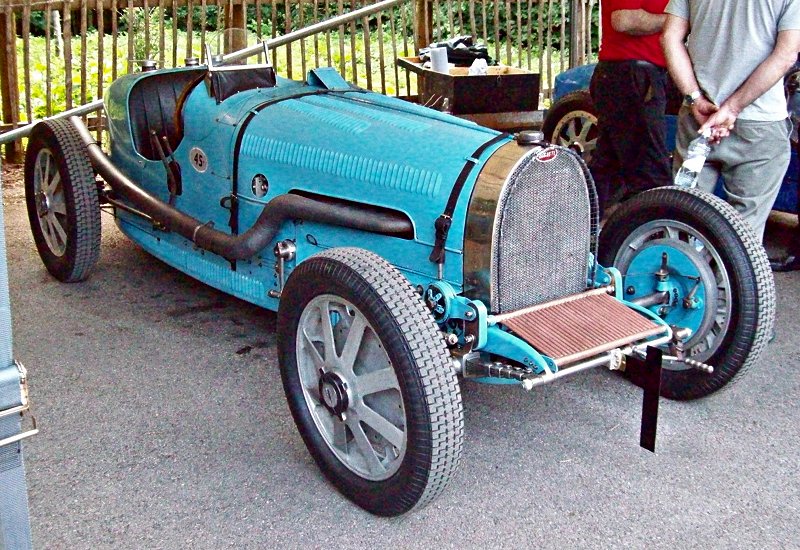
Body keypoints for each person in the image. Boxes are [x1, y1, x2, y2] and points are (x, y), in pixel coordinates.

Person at [660, 0, 800, 243]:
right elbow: (786, 55)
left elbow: (670, 37)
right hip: (759, 124)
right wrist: (732, 108)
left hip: (699, 119)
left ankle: (685, 266)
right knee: (744, 237)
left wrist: (695, 98)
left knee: (687, 221)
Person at [589, 0, 672, 217]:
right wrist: (678, 20)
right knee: (651, 177)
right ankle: (654, 234)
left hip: (629, 74)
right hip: (631, 74)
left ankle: (575, 228)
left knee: (608, 168)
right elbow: (623, 19)